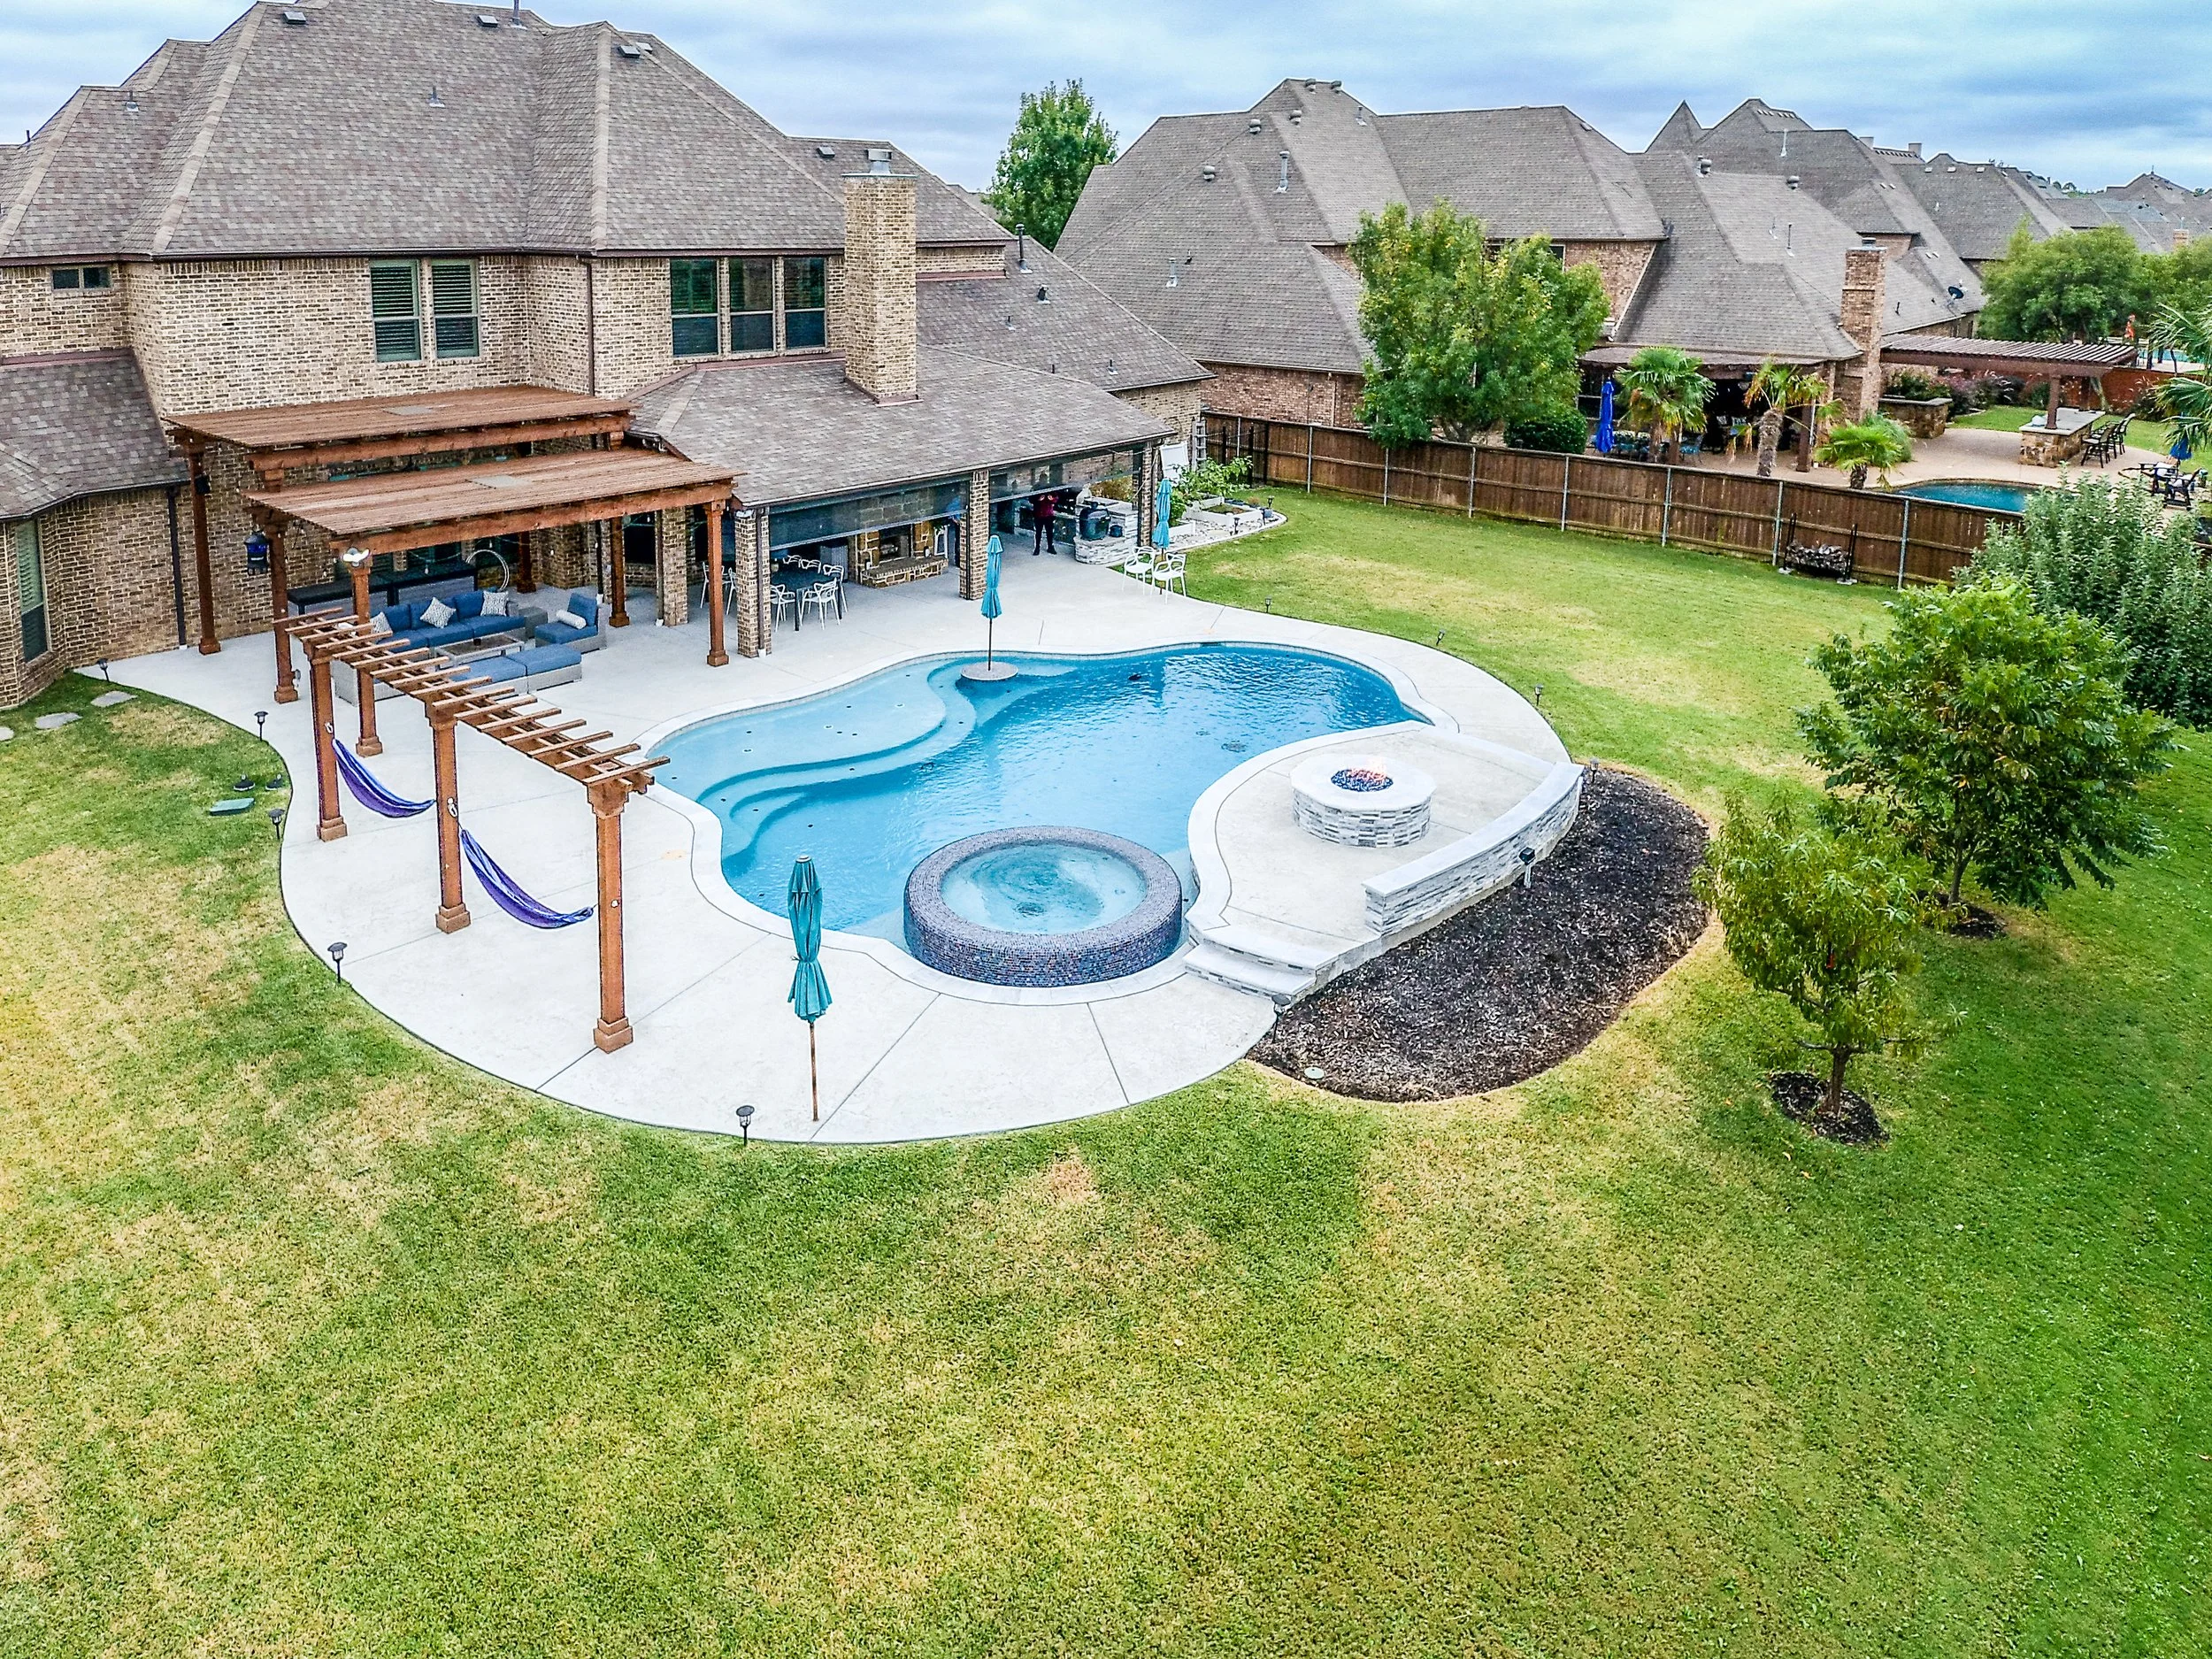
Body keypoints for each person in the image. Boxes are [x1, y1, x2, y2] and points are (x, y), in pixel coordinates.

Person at [1032, 491, 1056, 556]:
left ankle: (1050, 547)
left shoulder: (1051, 490)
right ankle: (1037, 548)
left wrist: (1052, 499)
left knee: (1050, 532)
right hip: (1038, 515)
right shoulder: (1036, 489)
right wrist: (1038, 499)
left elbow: (1057, 498)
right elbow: (1031, 499)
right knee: (1038, 532)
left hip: (1049, 515)